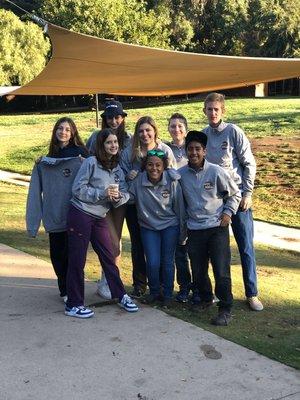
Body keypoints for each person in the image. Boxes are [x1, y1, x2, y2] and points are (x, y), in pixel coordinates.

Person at [65, 128, 139, 318]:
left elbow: (125, 193)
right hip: (80, 213)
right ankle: (73, 304)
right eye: (108, 142)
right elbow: (77, 189)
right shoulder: (91, 162)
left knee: (109, 255)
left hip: (100, 216)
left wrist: (117, 198)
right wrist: (102, 194)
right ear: (101, 145)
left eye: (115, 142)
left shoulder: (117, 168)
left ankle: (120, 295)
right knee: (77, 259)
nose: (113, 145)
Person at [202, 92, 263, 312]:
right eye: (209, 109)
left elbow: (249, 164)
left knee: (246, 247)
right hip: (216, 203)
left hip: (239, 201)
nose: (213, 113)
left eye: (216, 109)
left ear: (223, 111)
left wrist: (248, 193)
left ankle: (252, 293)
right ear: (204, 111)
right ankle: (220, 294)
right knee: (218, 251)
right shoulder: (203, 136)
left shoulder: (233, 132)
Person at [179, 130, 241, 326]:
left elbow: (235, 194)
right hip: (194, 230)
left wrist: (228, 213)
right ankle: (206, 298)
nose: (194, 153)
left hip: (217, 228)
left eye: (198, 149)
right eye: (190, 149)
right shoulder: (180, 175)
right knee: (198, 270)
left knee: (221, 270)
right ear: (186, 151)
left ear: (205, 151)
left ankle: (225, 307)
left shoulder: (216, 171)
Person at [26, 117, 88, 303]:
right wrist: (33, 225)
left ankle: (74, 291)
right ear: (55, 132)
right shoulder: (46, 160)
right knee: (58, 256)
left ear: (73, 132)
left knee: (74, 256)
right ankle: (64, 289)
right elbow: (34, 195)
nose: (63, 132)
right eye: (60, 128)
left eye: (68, 129)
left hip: (75, 214)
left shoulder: (81, 155)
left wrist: (85, 162)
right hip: (54, 217)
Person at [120, 116, 176, 298]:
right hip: (137, 204)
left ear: (154, 131)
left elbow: (173, 175)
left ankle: (161, 285)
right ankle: (140, 284)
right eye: (141, 131)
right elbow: (121, 176)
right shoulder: (130, 152)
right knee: (138, 245)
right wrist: (130, 177)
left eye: (148, 130)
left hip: (161, 205)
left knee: (163, 254)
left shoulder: (164, 150)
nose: (145, 134)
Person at [129, 150, 185, 308]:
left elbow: (180, 208)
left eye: (158, 165)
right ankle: (154, 292)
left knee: (167, 261)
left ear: (164, 166)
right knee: (153, 262)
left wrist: (183, 232)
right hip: (148, 227)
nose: (154, 168)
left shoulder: (172, 181)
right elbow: (129, 197)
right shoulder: (139, 181)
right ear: (145, 166)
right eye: (150, 165)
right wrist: (117, 195)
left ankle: (167, 294)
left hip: (170, 226)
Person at [87, 100, 131, 286]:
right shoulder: (96, 136)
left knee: (116, 240)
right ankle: (109, 280)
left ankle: (112, 278)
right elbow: (85, 157)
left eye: (117, 117)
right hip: (101, 194)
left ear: (122, 118)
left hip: (120, 194)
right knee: (108, 240)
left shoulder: (129, 139)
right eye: (110, 117)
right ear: (105, 119)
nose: (114, 121)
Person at [165, 113, 192, 303]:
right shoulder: (165, 150)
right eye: (173, 126)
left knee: (199, 252)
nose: (176, 129)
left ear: (186, 128)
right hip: (175, 206)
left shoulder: (193, 147)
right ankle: (184, 288)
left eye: (180, 126)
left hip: (195, 204)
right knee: (179, 250)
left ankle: (201, 287)